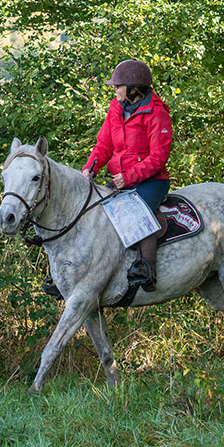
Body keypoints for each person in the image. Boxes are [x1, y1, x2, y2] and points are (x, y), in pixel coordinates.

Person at [81, 58, 172, 292]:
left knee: (135, 210)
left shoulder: (157, 113)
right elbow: (103, 144)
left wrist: (130, 177)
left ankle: (145, 268)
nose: (114, 90)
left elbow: (158, 157)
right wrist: (90, 167)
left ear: (133, 88)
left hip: (152, 180)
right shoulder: (115, 107)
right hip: (120, 177)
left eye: (117, 86)